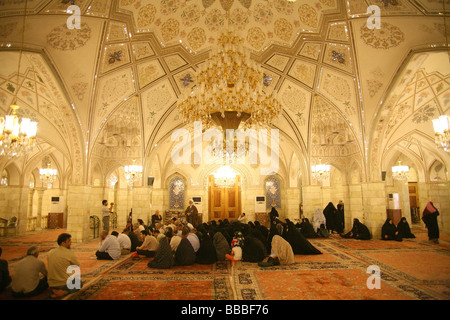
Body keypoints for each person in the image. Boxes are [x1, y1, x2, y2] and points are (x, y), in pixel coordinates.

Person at [47, 233, 80, 298]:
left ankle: (55, 290)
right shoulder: (69, 253)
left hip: (51, 284)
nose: (71, 242)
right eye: (69, 241)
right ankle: (64, 292)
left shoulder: (50, 252)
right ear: (62, 243)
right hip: (64, 284)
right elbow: (77, 265)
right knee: (79, 284)